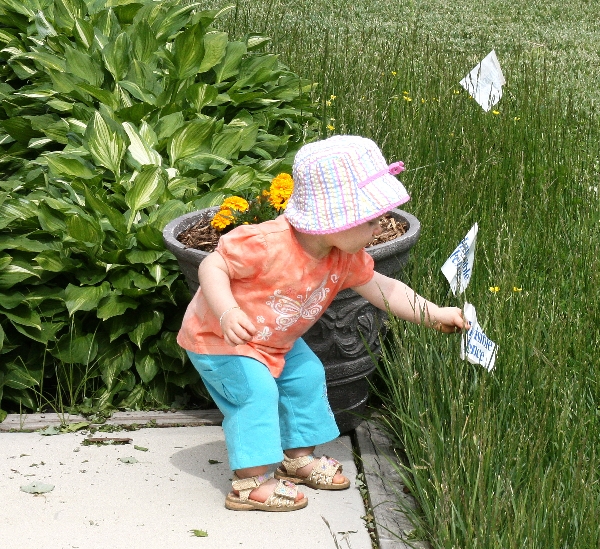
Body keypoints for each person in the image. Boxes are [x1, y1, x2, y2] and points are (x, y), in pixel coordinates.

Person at [177, 135, 469, 512]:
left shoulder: (343, 254)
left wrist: (433, 313)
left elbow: (385, 288)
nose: (380, 227)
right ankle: (249, 482)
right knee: (256, 394)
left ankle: (296, 458)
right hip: (223, 338)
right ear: (331, 218)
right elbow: (212, 264)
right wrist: (227, 311)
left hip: (278, 339)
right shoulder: (267, 243)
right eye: (370, 219)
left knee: (307, 376)